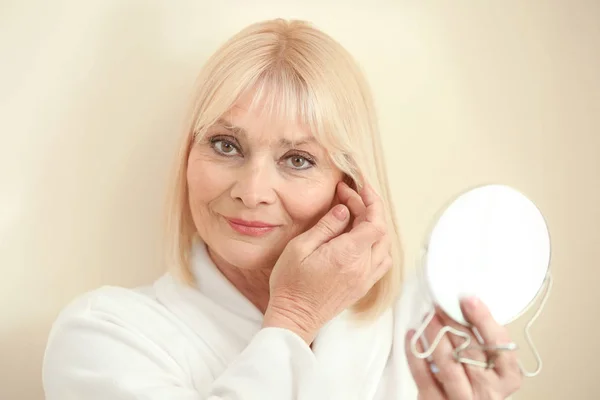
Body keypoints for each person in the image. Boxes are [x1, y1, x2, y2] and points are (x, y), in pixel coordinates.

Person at [42, 18, 523, 400]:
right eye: (226, 145)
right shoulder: (101, 335)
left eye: (298, 159)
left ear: (349, 186)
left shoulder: (416, 329)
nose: (252, 191)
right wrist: (293, 317)